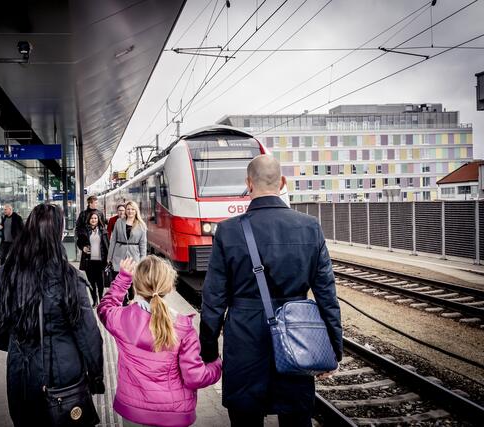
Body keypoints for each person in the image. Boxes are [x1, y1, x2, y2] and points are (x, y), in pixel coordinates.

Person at [199, 155, 343, 427]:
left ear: (248, 183)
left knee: (245, 418)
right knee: (297, 417)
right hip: (297, 336)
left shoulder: (228, 231)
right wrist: (334, 350)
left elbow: (213, 299)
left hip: (244, 340)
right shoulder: (309, 227)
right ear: (283, 183)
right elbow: (327, 296)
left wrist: (208, 350)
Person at [0, 203, 105, 426]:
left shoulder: (3, 276)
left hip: (21, 375)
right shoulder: (70, 278)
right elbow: (88, 335)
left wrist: (21, 344)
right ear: (58, 235)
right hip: (65, 377)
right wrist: (96, 376)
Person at [98, 256, 222, 427]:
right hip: (173, 415)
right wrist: (216, 365)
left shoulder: (120, 319)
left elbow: (105, 307)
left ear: (136, 285)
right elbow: (195, 378)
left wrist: (123, 278)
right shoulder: (184, 329)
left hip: (133, 413)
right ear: (170, 287)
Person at [108, 200, 147, 302]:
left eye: (132, 209)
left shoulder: (141, 225)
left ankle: (131, 298)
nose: (130, 211)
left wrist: (142, 261)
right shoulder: (119, 222)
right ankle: (123, 302)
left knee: (132, 283)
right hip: (118, 255)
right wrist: (109, 258)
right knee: (119, 280)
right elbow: (113, 240)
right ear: (125, 210)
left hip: (133, 257)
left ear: (136, 211)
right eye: (128, 209)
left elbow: (143, 245)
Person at [77, 211, 109, 306]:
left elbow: (107, 245)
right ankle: (94, 301)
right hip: (88, 261)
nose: (93, 220)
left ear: (98, 219)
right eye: (92, 218)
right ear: (89, 220)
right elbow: (79, 242)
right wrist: (83, 248)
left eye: (95, 218)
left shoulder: (103, 231)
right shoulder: (84, 231)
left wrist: (108, 259)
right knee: (91, 282)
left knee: (100, 283)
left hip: (101, 261)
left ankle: (101, 300)